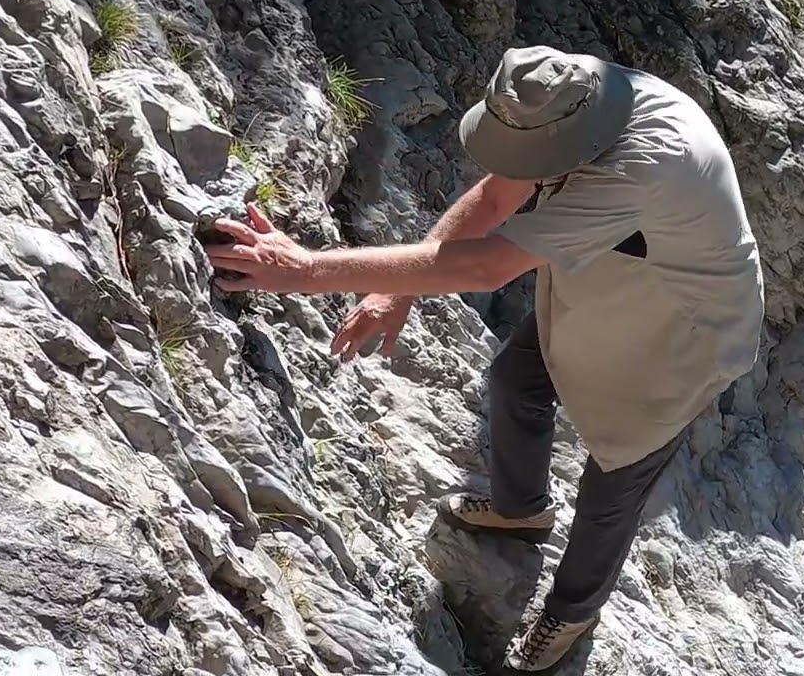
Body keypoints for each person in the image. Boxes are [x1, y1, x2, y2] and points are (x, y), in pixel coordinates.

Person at [203, 45, 764, 674]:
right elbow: (498, 197)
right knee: (515, 380)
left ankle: (574, 610)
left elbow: (493, 263)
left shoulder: (647, 159)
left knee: (614, 483)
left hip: (683, 331)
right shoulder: (570, 96)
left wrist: (306, 270)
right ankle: (521, 511)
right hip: (611, 288)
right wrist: (394, 288)